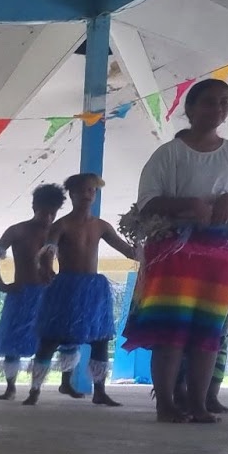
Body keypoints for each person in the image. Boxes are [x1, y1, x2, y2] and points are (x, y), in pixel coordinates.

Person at [123, 78, 228, 423]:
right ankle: (165, 403)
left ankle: (198, 402)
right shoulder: (169, 154)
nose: (219, 108)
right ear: (191, 108)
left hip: (220, 250)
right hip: (173, 251)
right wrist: (187, 204)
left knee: (208, 331)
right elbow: (148, 203)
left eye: (225, 102)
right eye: (210, 102)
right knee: (172, 330)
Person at [27, 173, 137, 408]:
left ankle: (99, 391)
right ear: (72, 194)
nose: (88, 195)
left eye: (92, 191)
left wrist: (146, 250)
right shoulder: (62, 225)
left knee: (100, 339)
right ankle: (35, 389)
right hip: (66, 286)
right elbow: (49, 248)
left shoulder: (101, 226)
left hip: (93, 289)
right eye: (83, 190)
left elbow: (126, 249)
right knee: (50, 339)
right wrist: (46, 265)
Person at [0, 183, 67, 400]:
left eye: (53, 213)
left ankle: (36, 389)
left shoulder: (58, 231)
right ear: (34, 206)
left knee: (47, 342)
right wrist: (1, 284)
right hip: (21, 293)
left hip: (47, 295)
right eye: (44, 211)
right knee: (12, 341)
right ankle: (10, 387)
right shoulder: (18, 230)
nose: (49, 217)